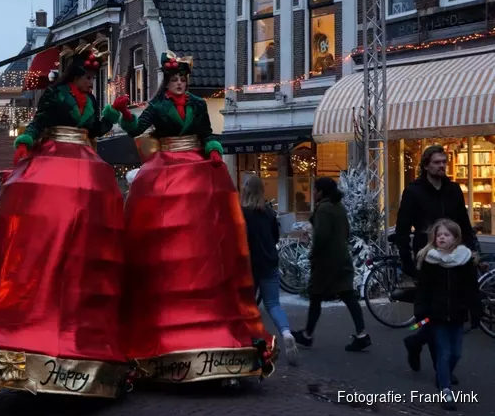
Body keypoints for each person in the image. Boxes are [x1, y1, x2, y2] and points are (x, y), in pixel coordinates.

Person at [0, 39, 130, 398]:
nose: (92, 81)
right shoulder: (56, 98)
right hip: (58, 160)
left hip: (87, 168)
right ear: (74, 76)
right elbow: (39, 123)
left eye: (93, 76)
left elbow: (95, 131)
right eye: (87, 76)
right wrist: (26, 140)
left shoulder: (90, 102)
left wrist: (112, 114)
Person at [113, 51, 275, 384]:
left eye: (183, 80)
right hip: (168, 170)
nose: (180, 83)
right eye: (175, 80)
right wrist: (124, 113)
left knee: (204, 232)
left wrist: (214, 149)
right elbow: (137, 129)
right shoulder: (158, 107)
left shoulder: (199, 106)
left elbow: (208, 134)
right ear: (168, 83)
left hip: (198, 170)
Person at [396, 145, 480, 376]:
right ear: (425, 165)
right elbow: (402, 229)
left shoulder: (453, 190)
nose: (442, 166)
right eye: (437, 162)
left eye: (444, 162)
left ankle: (416, 340)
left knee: (446, 311)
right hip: (428, 258)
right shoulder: (413, 192)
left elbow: (463, 223)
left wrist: (471, 250)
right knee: (429, 313)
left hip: (455, 257)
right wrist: (408, 262)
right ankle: (440, 369)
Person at [291, 177, 371, 352]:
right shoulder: (338, 207)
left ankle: (307, 335)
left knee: (316, 296)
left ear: (321, 192)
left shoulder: (324, 209)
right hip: (341, 258)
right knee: (348, 296)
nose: (313, 193)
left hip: (326, 261)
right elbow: (346, 231)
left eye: (315, 190)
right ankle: (362, 334)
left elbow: (321, 237)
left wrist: (313, 255)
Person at [414, 218, 480, 410]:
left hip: (458, 313)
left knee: (456, 353)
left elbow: (471, 288)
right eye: (439, 234)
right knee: (444, 352)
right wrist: (421, 310)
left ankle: (442, 376)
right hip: (437, 313)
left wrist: (475, 310)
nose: (442, 237)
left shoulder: (464, 259)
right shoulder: (431, 260)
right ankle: (446, 390)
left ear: (456, 238)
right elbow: (423, 289)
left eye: (446, 234)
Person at [241, 174, 298, 366]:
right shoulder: (269, 212)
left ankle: (252, 343)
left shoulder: (242, 213)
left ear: (246, 189)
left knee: (248, 306)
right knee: (273, 304)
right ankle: (286, 332)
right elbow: (275, 238)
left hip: (250, 266)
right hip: (270, 262)